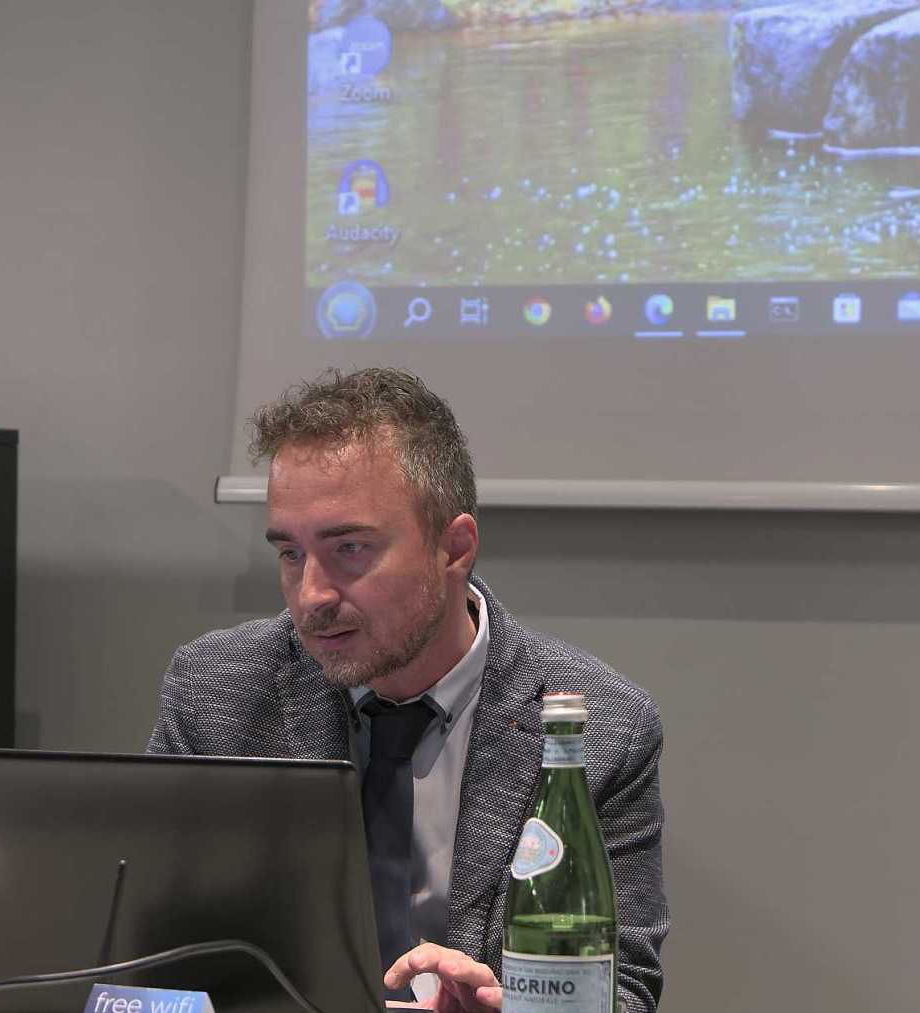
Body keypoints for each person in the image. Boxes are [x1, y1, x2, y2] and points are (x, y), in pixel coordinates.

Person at [149, 367, 667, 1013]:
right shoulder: (216, 692)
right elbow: (152, 957)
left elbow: (621, 991)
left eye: (350, 548)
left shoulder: (600, 726)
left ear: (454, 548)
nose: (311, 595)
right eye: (290, 553)